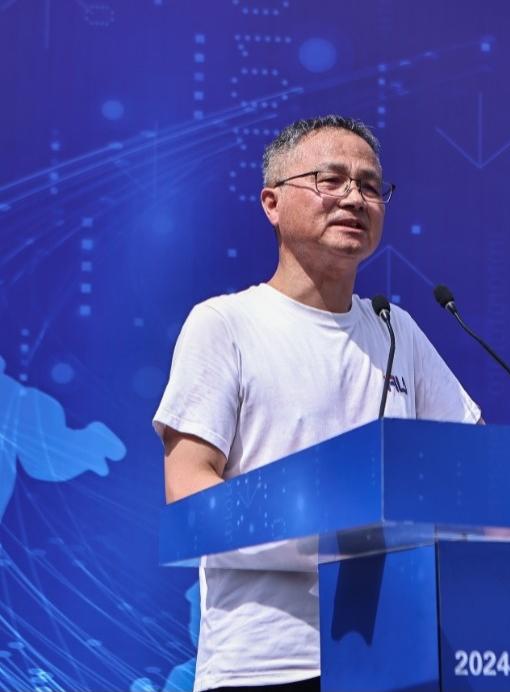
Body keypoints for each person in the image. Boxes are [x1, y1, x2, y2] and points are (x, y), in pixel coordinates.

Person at [153, 115, 482, 692]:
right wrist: (326, 536)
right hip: (267, 664)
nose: (354, 198)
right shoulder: (225, 323)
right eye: (331, 180)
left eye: (371, 185)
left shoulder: (396, 330)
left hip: (396, 658)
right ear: (272, 203)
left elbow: (469, 463)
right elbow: (189, 490)